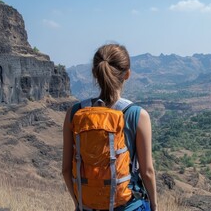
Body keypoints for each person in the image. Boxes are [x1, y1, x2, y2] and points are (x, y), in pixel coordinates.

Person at [62, 44, 158, 211]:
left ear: (95, 73)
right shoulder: (138, 115)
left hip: (87, 206)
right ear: (127, 74)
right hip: (129, 205)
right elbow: (147, 172)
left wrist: (78, 203)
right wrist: (154, 205)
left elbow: (65, 170)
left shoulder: (74, 113)